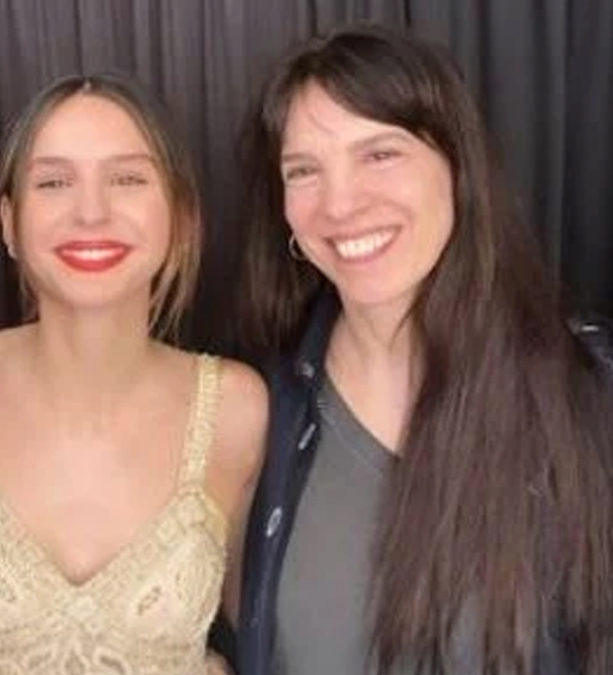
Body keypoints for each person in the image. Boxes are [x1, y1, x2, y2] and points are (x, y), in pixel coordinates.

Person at [232, 24, 613, 675]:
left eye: (380, 154)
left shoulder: (592, 394)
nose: (340, 203)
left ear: (458, 169)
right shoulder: (257, 410)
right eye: (304, 171)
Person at [0, 73, 267, 674]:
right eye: (53, 182)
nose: (91, 212)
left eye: (127, 179)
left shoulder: (237, 407)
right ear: (9, 223)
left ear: (179, 215)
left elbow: (264, 631)